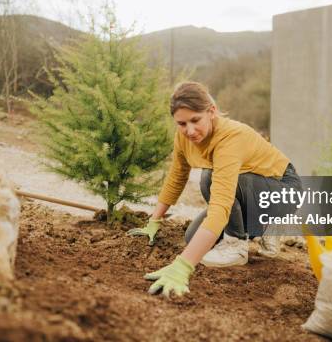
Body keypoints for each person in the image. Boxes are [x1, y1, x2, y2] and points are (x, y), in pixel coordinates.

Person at [127, 81, 301, 297]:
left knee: (208, 177)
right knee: (193, 238)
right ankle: (261, 228)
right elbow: (176, 177)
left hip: (282, 191)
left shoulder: (230, 137)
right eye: (181, 123)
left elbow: (221, 204)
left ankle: (237, 245)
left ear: (211, 112)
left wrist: (183, 266)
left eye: (195, 120)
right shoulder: (183, 137)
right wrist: (154, 221)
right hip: (250, 191)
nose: (189, 130)